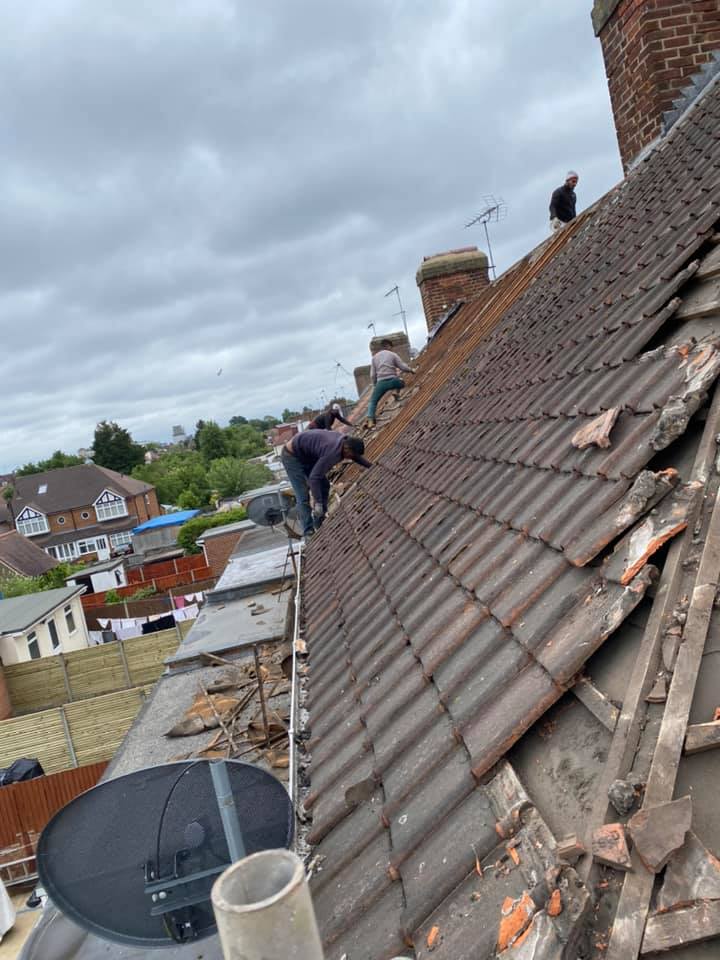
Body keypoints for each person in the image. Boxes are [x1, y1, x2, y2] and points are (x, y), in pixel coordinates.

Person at [281, 431, 371, 537]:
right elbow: (314, 478)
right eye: (350, 455)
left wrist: (371, 466)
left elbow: (355, 457)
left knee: (324, 486)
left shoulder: (346, 443)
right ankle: (308, 530)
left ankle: (319, 521)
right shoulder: (332, 452)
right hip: (291, 456)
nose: (349, 458)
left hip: (306, 456)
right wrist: (318, 503)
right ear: (347, 449)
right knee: (303, 494)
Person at [366, 339, 413, 426]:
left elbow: (372, 375)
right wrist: (411, 370)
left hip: (381, 383)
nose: (392, 349)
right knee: (401, 382)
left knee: (373, 401)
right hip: (393, 381)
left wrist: (375, 384)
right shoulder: (393, 354)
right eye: (391, 347)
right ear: (388, 346)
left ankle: (370, 421)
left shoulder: (375, 358)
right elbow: (403, 367)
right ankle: (396, 392)